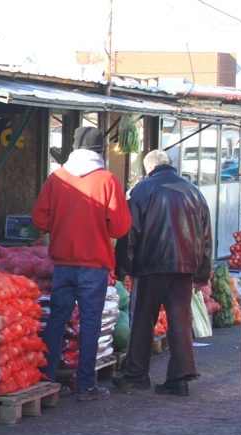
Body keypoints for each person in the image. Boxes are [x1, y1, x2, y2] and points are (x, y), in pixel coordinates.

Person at [33, 126, 131, 402]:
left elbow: (40, 220)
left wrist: (63, 224)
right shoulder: (107, 180)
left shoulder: (57, 178)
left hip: (63, 262)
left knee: (56, 320)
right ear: (100, 152)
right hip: (94, 263)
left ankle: (48, 379)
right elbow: (120, 227)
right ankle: (86, 385)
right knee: (90, 322)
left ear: (74, 149)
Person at [114, 149, 212, 396]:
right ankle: (180, 378)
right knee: (180, 320)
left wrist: (123, 266)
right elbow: (206, 236)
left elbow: (130, 230)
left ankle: (136, 374)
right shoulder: (194, 192)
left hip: (151, 265)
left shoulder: (143, 190)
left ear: (149, 168)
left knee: (142, 319)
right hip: (185, 267)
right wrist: (202, 273)